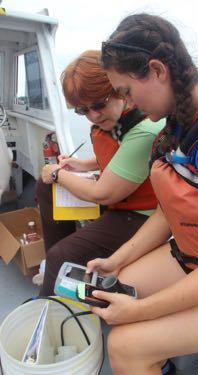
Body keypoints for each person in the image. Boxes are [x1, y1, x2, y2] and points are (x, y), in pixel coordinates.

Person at [85, 13, 198, 375]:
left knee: (124, 345)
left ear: (157, 70)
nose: (127, 103)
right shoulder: (178, 117)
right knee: (116, 288)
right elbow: (169, 210)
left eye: (126, 91)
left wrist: (140, 312)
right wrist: (117, 259)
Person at [36, 49, 164, 296]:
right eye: (82, 111)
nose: (93, 116)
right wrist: (81, 165)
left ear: (119, 89)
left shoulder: (144, 130)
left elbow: (102, 194)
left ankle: (52, 296)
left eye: (98, 104)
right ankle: (55, 269)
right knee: (47, 188)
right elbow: (119, 156)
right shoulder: (115, 120)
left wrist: (57, 173)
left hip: (139, 215)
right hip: (119, 200)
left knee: (60, 255)